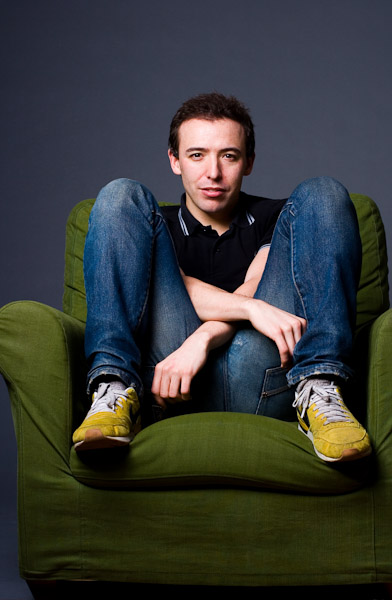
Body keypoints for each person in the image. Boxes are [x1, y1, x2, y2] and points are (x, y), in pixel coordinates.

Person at [72, 92, 371, 462]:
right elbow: (220, 298)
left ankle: (320, 389)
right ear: (175, 160)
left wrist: (202, 339)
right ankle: (114, 389)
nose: (213, 173)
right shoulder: (150, 226)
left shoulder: (282, 218)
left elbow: (255, 290)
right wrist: (251, 310)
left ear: (248, 162)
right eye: (197, 155)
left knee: (322, 192)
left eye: (228, 156)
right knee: (121, 194)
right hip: (168, 380)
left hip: (264, 376)